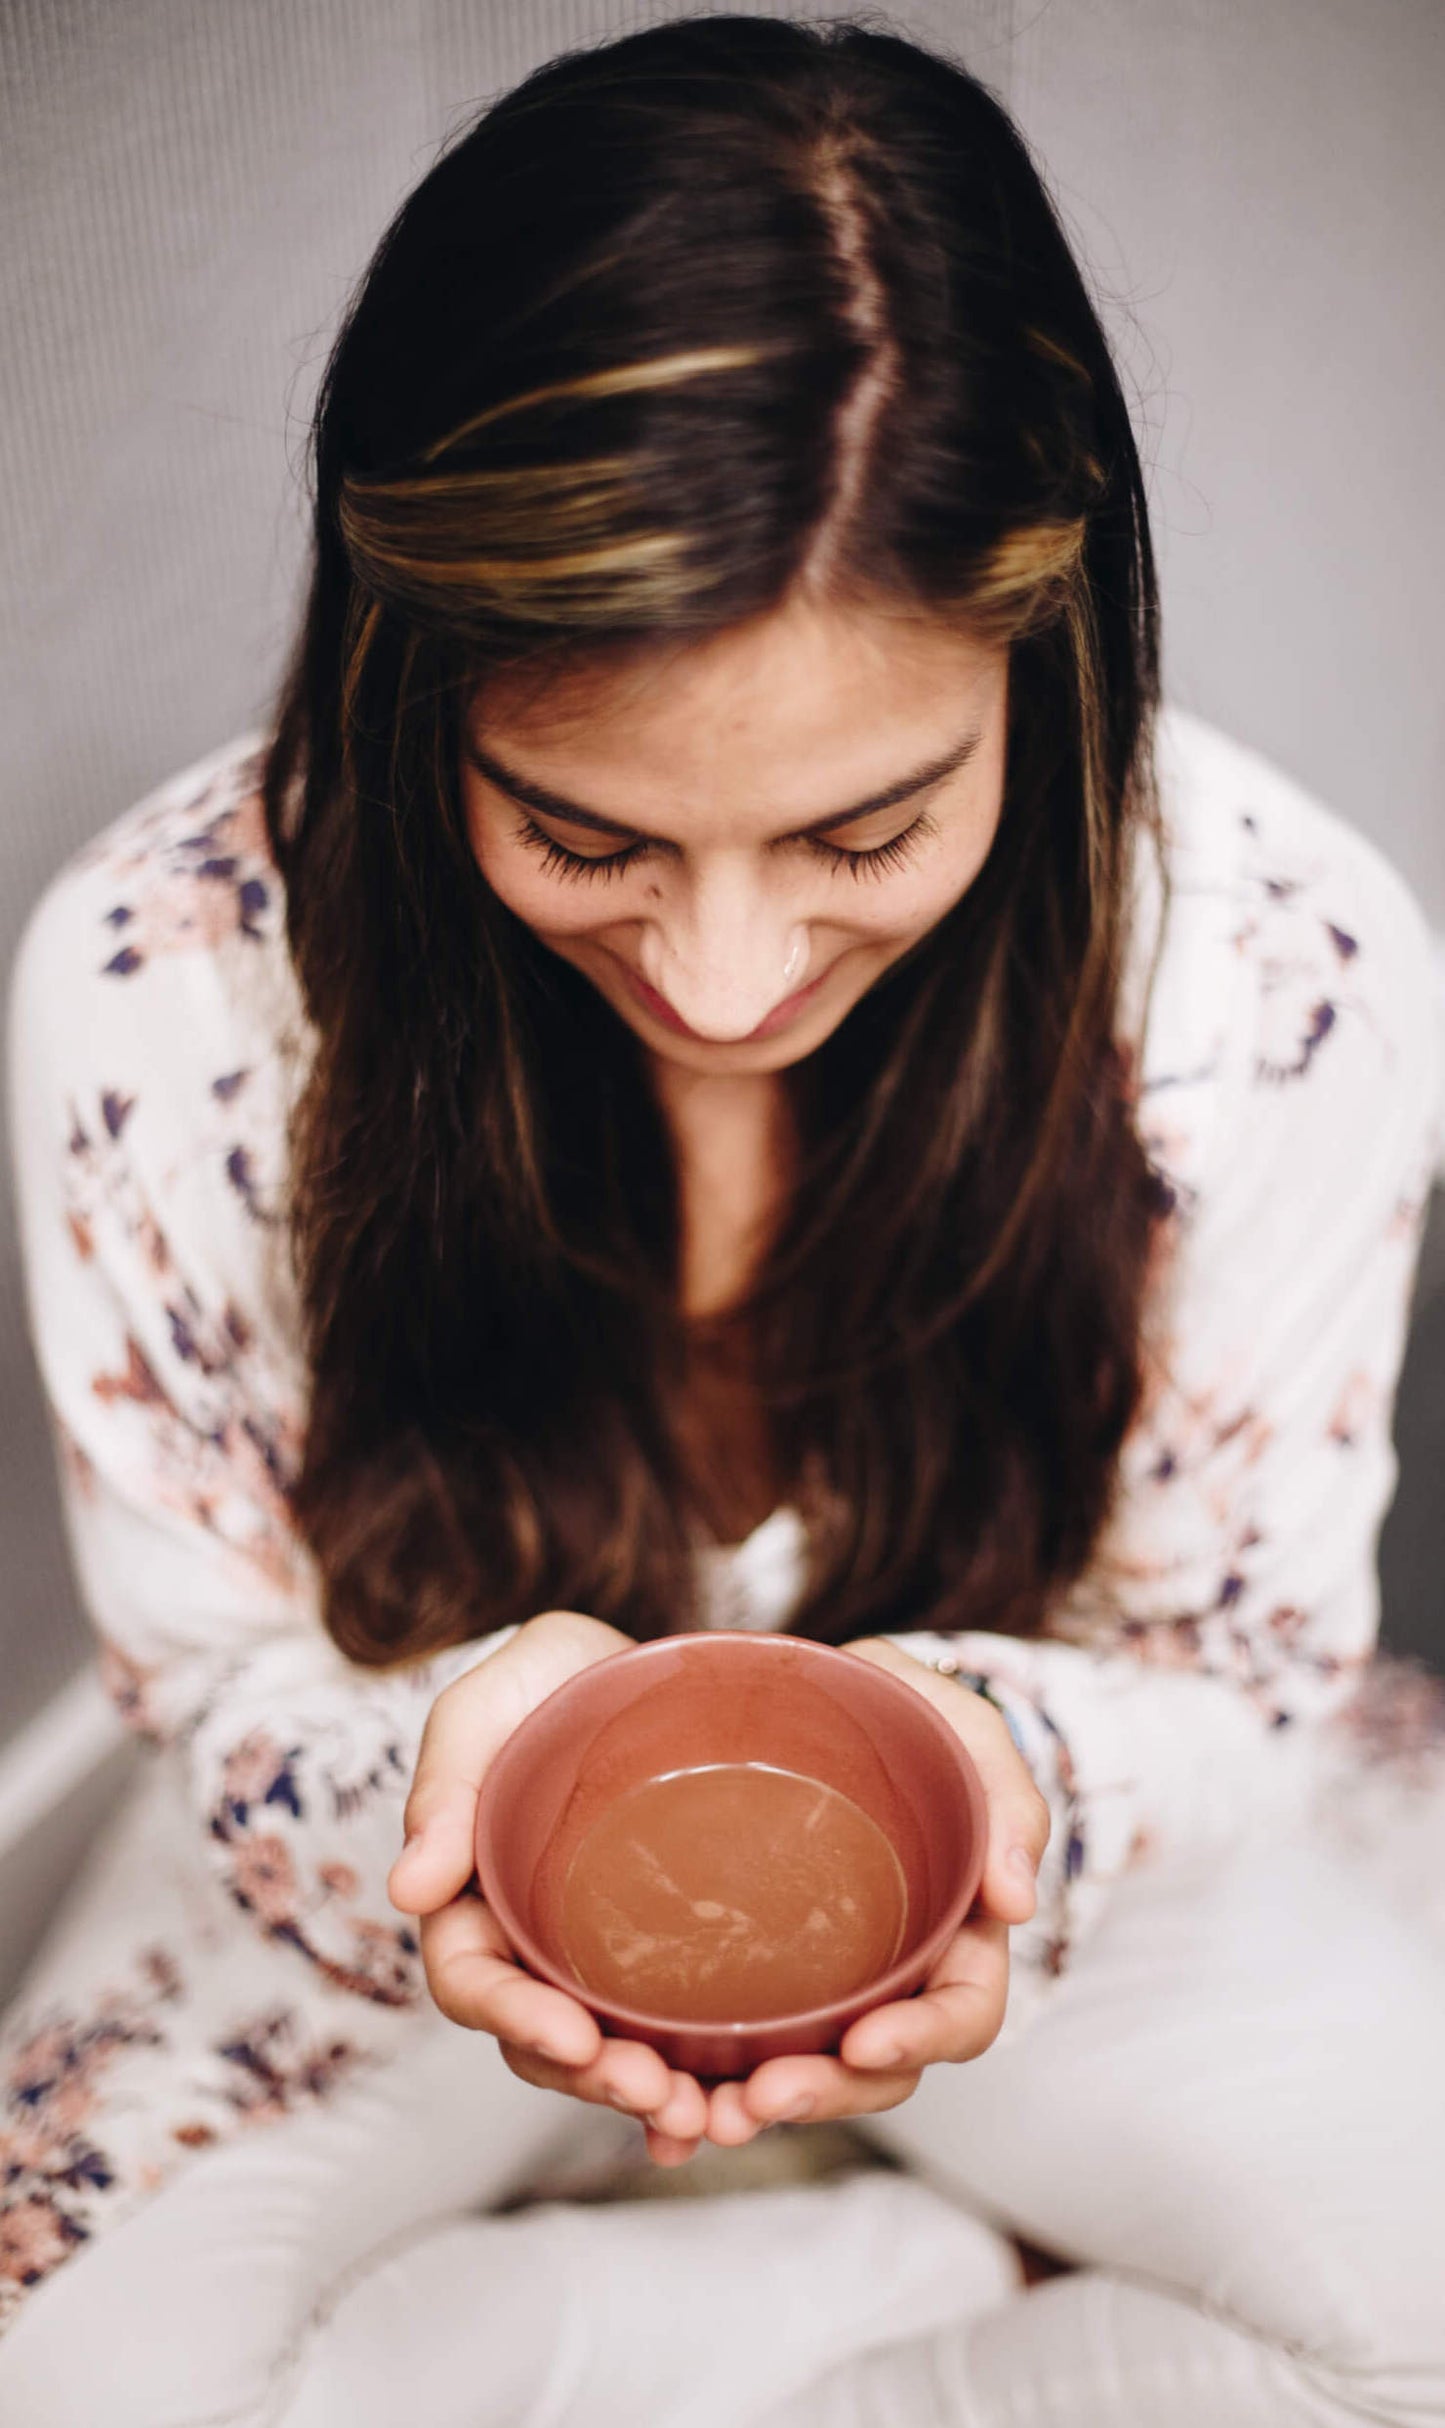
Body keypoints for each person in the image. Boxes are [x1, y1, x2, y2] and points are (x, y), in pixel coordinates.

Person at [2, 14, 1443, 2425]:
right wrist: (439, 1784)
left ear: (1051, 666)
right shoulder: (160, 978)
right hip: (398, 1882)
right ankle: (837, 2288)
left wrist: (987, 1780)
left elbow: (1243, 1668)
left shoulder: (1284, 967)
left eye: (866, 832)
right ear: (410, 690)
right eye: (586, 834)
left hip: (1034, 1882)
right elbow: (218, 1677)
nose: (725, 976)